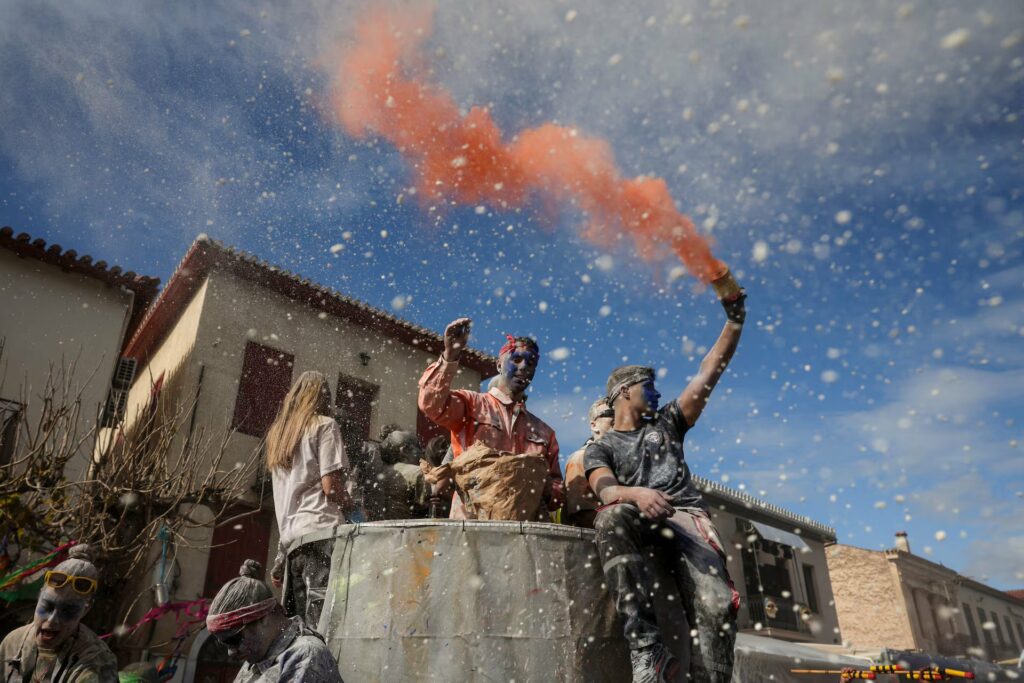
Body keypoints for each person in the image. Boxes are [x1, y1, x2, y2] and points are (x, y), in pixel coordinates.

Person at [585, 293, 746, 683]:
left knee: (717, 603)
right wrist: (636, 493)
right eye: (649, 387)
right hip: (641, 515)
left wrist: (734, 322)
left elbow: (709, 372)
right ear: (625, 391)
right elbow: (605, 489)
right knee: (611, 518)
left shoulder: (669, 424)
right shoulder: (602, 447)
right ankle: (648, 649)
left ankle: (712, 678)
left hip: (687, 518)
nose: (657, 393)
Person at [418, 317, 563, 519]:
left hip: (524, 532)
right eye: (516, 359)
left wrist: (536, 482)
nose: (523, 367)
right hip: (471, 525)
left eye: (531, 363)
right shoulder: (471, 404)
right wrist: (450, 355)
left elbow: (558, 493)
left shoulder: (544, 432)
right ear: (498, 365)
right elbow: (432, 404)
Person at [266, 371, 353, 629]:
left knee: (298, 628)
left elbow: (286, 503)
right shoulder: (325, 425)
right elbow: (331, 488)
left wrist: (281, 558)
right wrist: (352, 504)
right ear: (323, 397)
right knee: (325, 624)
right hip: (321, 535)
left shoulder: (279, 438)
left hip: (293, 542)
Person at [206, 560, 343, 683]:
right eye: (224, 643)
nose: (231, 652)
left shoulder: (306, 655)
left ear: (263, 618)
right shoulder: (258, 656)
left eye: (234, 640)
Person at [1, 544, 118, 682]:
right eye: (47, 606)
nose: (52, 620)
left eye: (68, 611)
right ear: (38, 598)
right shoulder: (14, 642)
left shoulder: (97, 662)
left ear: (85, 610)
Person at [562, 398, 615, 528]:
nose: (617, 417)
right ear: (594, 425)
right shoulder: (580, 459)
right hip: (592, 541)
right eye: (610, 413)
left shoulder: (626, 458)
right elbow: (581, 513)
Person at [376, 430, 430, 519]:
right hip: (408, 529)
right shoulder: (417, 473)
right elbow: (427, 509)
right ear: (405, 450)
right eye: (418, 446)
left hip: (380, 528)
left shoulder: (379, 472)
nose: (422, 450)